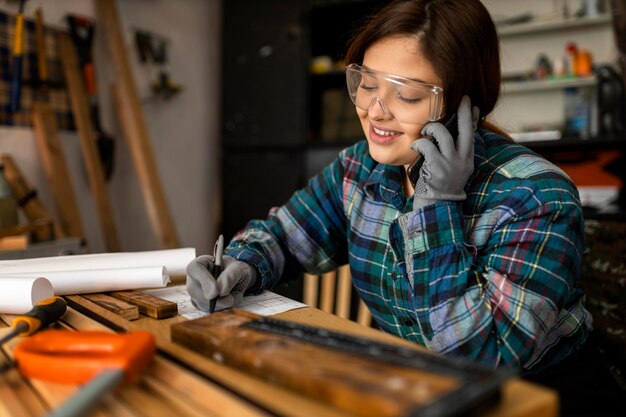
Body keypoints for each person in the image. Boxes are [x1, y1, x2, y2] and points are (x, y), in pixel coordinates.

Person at [187, 0, 625, 415]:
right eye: (368, 84)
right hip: (412, 385)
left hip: (534, 399)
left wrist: (437, 206)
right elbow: (285, 235)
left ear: (462, 104)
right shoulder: (360, 168)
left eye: (408, 97)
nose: (375, 111)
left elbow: (481, 357)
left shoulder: (535, 196)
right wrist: (243, 266)